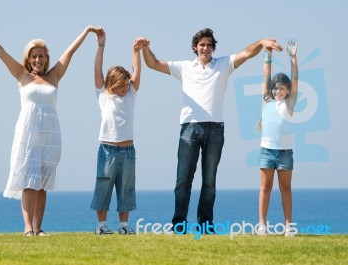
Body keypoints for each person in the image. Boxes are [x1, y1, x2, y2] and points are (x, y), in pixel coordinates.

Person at [139, 28, 283, 233]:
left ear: (213, 47)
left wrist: (261, 42)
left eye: (208, 44)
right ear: (195, 48)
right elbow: (153, 64)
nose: (205, 48)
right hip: (189, 127)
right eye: (201, 44)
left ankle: (205, 226)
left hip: (215, 128)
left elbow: (246, 53)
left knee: (209, 181)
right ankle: (178, 225)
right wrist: (145, 48)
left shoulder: (223, 64)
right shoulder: (184, 67)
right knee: (183, 180)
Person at [0, 10, 101, 236]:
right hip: (28, 133)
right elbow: (1, 53)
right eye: (34, 56)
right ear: (28, 58)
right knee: (29, 181)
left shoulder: (54, 76)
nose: (38, 60)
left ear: (46, 58)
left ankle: (37, 228)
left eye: (41, 56)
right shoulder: (22, 75)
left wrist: (87, 31)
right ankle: (27, 229)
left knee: (42, 183)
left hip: (50, 135)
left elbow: (70, 52)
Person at [90, 28, 147, 235]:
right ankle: (101, 226)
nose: (126, 87)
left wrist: (136, 50)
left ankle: (124, 226)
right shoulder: (104, 96)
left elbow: (137, 70)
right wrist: (101, 45)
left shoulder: (130, 95)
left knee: (126, 189)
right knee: (103, 187)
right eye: (122, 85)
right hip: (107, 150)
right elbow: (98, 70)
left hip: (128, 150)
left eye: (127, 84)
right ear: (112, 84)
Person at [257, 40, 298, 237]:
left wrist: (293, 58)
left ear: (288, 90)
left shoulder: (289, 104)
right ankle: (262, 225)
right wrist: (268, 55)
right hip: (267, 150)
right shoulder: (267, 101)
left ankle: (288, 226)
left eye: (281, 88)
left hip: (285, 152)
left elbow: (296, 78)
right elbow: (266, 76)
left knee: (285, 188)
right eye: (275, 88)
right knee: (265, 187)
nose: (277, 91)